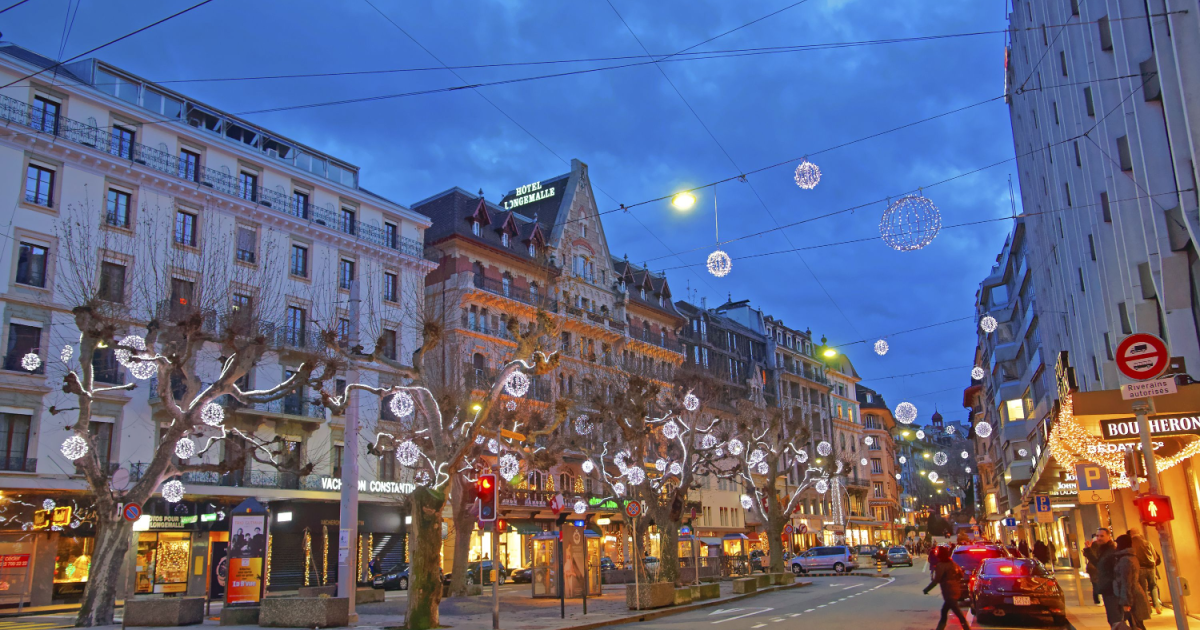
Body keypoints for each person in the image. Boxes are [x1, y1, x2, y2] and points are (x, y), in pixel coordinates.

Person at [923, 546, 971, 630]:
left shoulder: (941, 565)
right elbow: (961, 575)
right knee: (944, 611)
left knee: (957, 613)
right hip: (955, 590)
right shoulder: (953, 564)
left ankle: (966, 628)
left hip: (949, 592)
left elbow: (936, 580)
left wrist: (927, 589)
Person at [1113, 534, 1151, 630]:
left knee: (1136, 624)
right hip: (1133, 595)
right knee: (1136, 624)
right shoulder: (1130, 557)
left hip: (1132, 597)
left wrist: (1126, 602)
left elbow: (1126, 582)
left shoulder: (1126, 560)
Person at [1129, 530, 1164, 615]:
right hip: (1150, 567)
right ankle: (1157, 606)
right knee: (1153, 586)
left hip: (1140, 568)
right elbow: (1154, 556)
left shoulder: (1131, 544)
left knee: (1143, 588)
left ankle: (1148, 608)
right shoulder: (1147, 543)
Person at [1094, 528, 1123, 626]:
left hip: (1111, 589)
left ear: (1109, 536)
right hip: (1107, 588)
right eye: (1097, 536)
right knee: (1113, 619)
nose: (1099, 538)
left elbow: (1116, 571)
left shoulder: (1111, 551)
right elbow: (1100, 565)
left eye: (1102, 536)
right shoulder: (1103, 550)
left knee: (1115, 619)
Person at [1082, 535, 1102, 605]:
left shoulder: (1091, 548)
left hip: (1091, 568)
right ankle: (1099, 600)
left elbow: (1086, 554)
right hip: (1095, 568)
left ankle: (1096, 600)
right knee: (1097, 583)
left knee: (1094, 584)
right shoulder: (1098, 547)